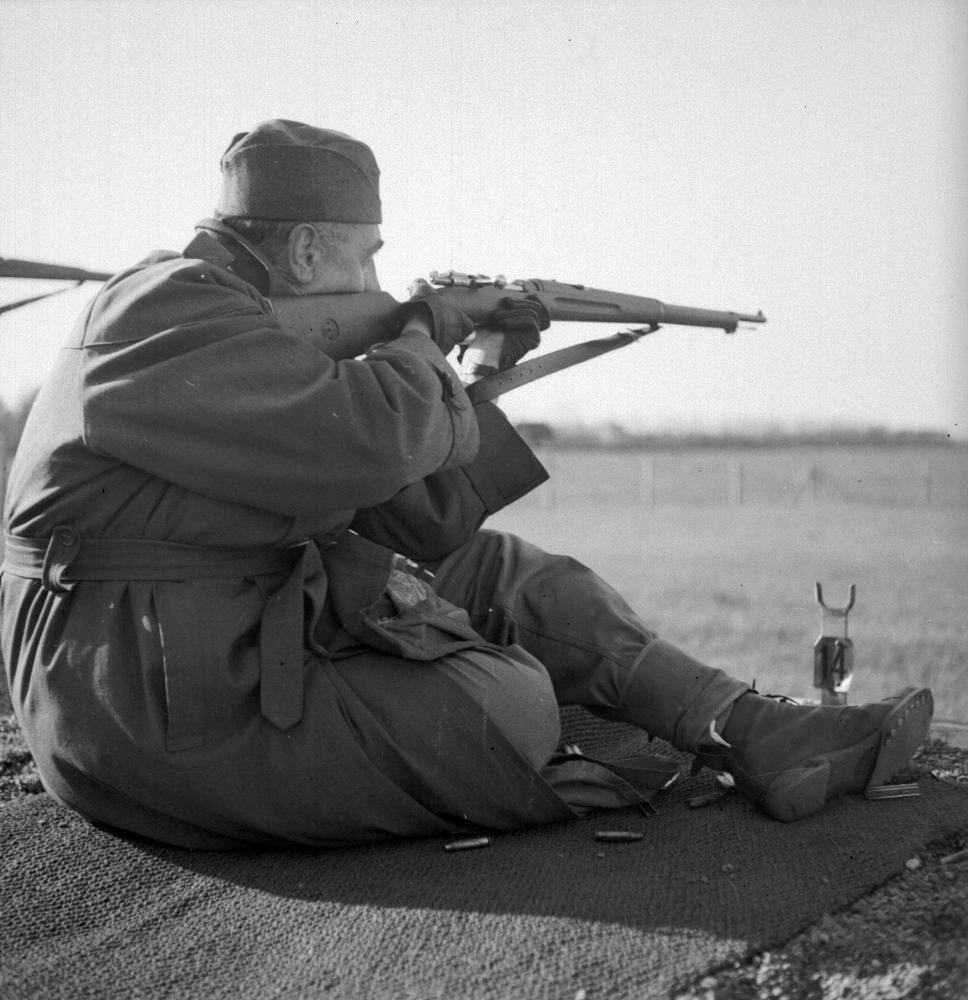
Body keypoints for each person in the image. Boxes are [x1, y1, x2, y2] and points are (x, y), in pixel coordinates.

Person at [1, 120, 933, 850]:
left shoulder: (237, 319)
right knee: (509, 707)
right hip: (136, 699)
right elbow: (368, 442)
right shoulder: (164, 304)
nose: (379, 279)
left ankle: (751, 726)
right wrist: (422, 332)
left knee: (511, 574)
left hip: (209, 628)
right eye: (368, 255)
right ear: (309, 254)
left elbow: (416, 516)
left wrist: (476, 365)